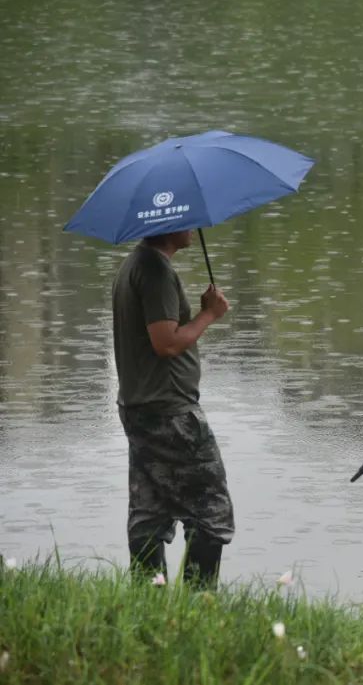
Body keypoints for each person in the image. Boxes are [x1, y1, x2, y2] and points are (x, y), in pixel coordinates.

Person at [112, 229, 234, 588]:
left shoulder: (134, 264)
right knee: (212, 512)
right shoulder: (156, 272)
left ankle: (147, 597)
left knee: (150, 509)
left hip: (140, 407)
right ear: (169, 224)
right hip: (171, 412)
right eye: (187, 220)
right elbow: (166, 344)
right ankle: (199, 601)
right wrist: (209, 314)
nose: (193, 227)